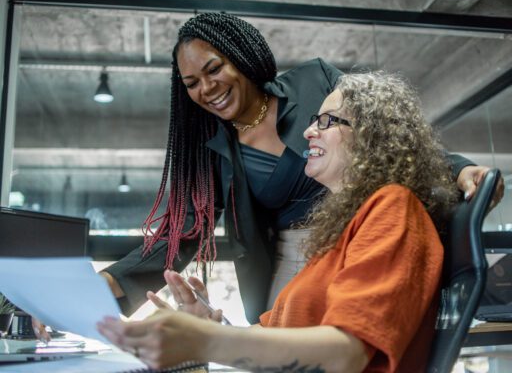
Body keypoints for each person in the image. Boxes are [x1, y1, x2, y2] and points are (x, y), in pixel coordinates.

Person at [97, 13, 503, 324]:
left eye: (214, 69)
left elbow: (386, 134)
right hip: (289, 265)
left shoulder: (316, 82)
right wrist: (110, 282)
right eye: (191, 83)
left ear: (240, 55)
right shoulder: (211, 151)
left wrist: (459, 171)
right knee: (284, 351)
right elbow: (179, 235)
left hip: (364, 240)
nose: (206, 89)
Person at [98, 72, 459, 373]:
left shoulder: (393, 209)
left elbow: (347, 351)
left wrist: (206, 341)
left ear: (372, 134)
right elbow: (275, 342)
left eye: (327, 121)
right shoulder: (339, 233)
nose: (308, 132)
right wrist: (209, 325)